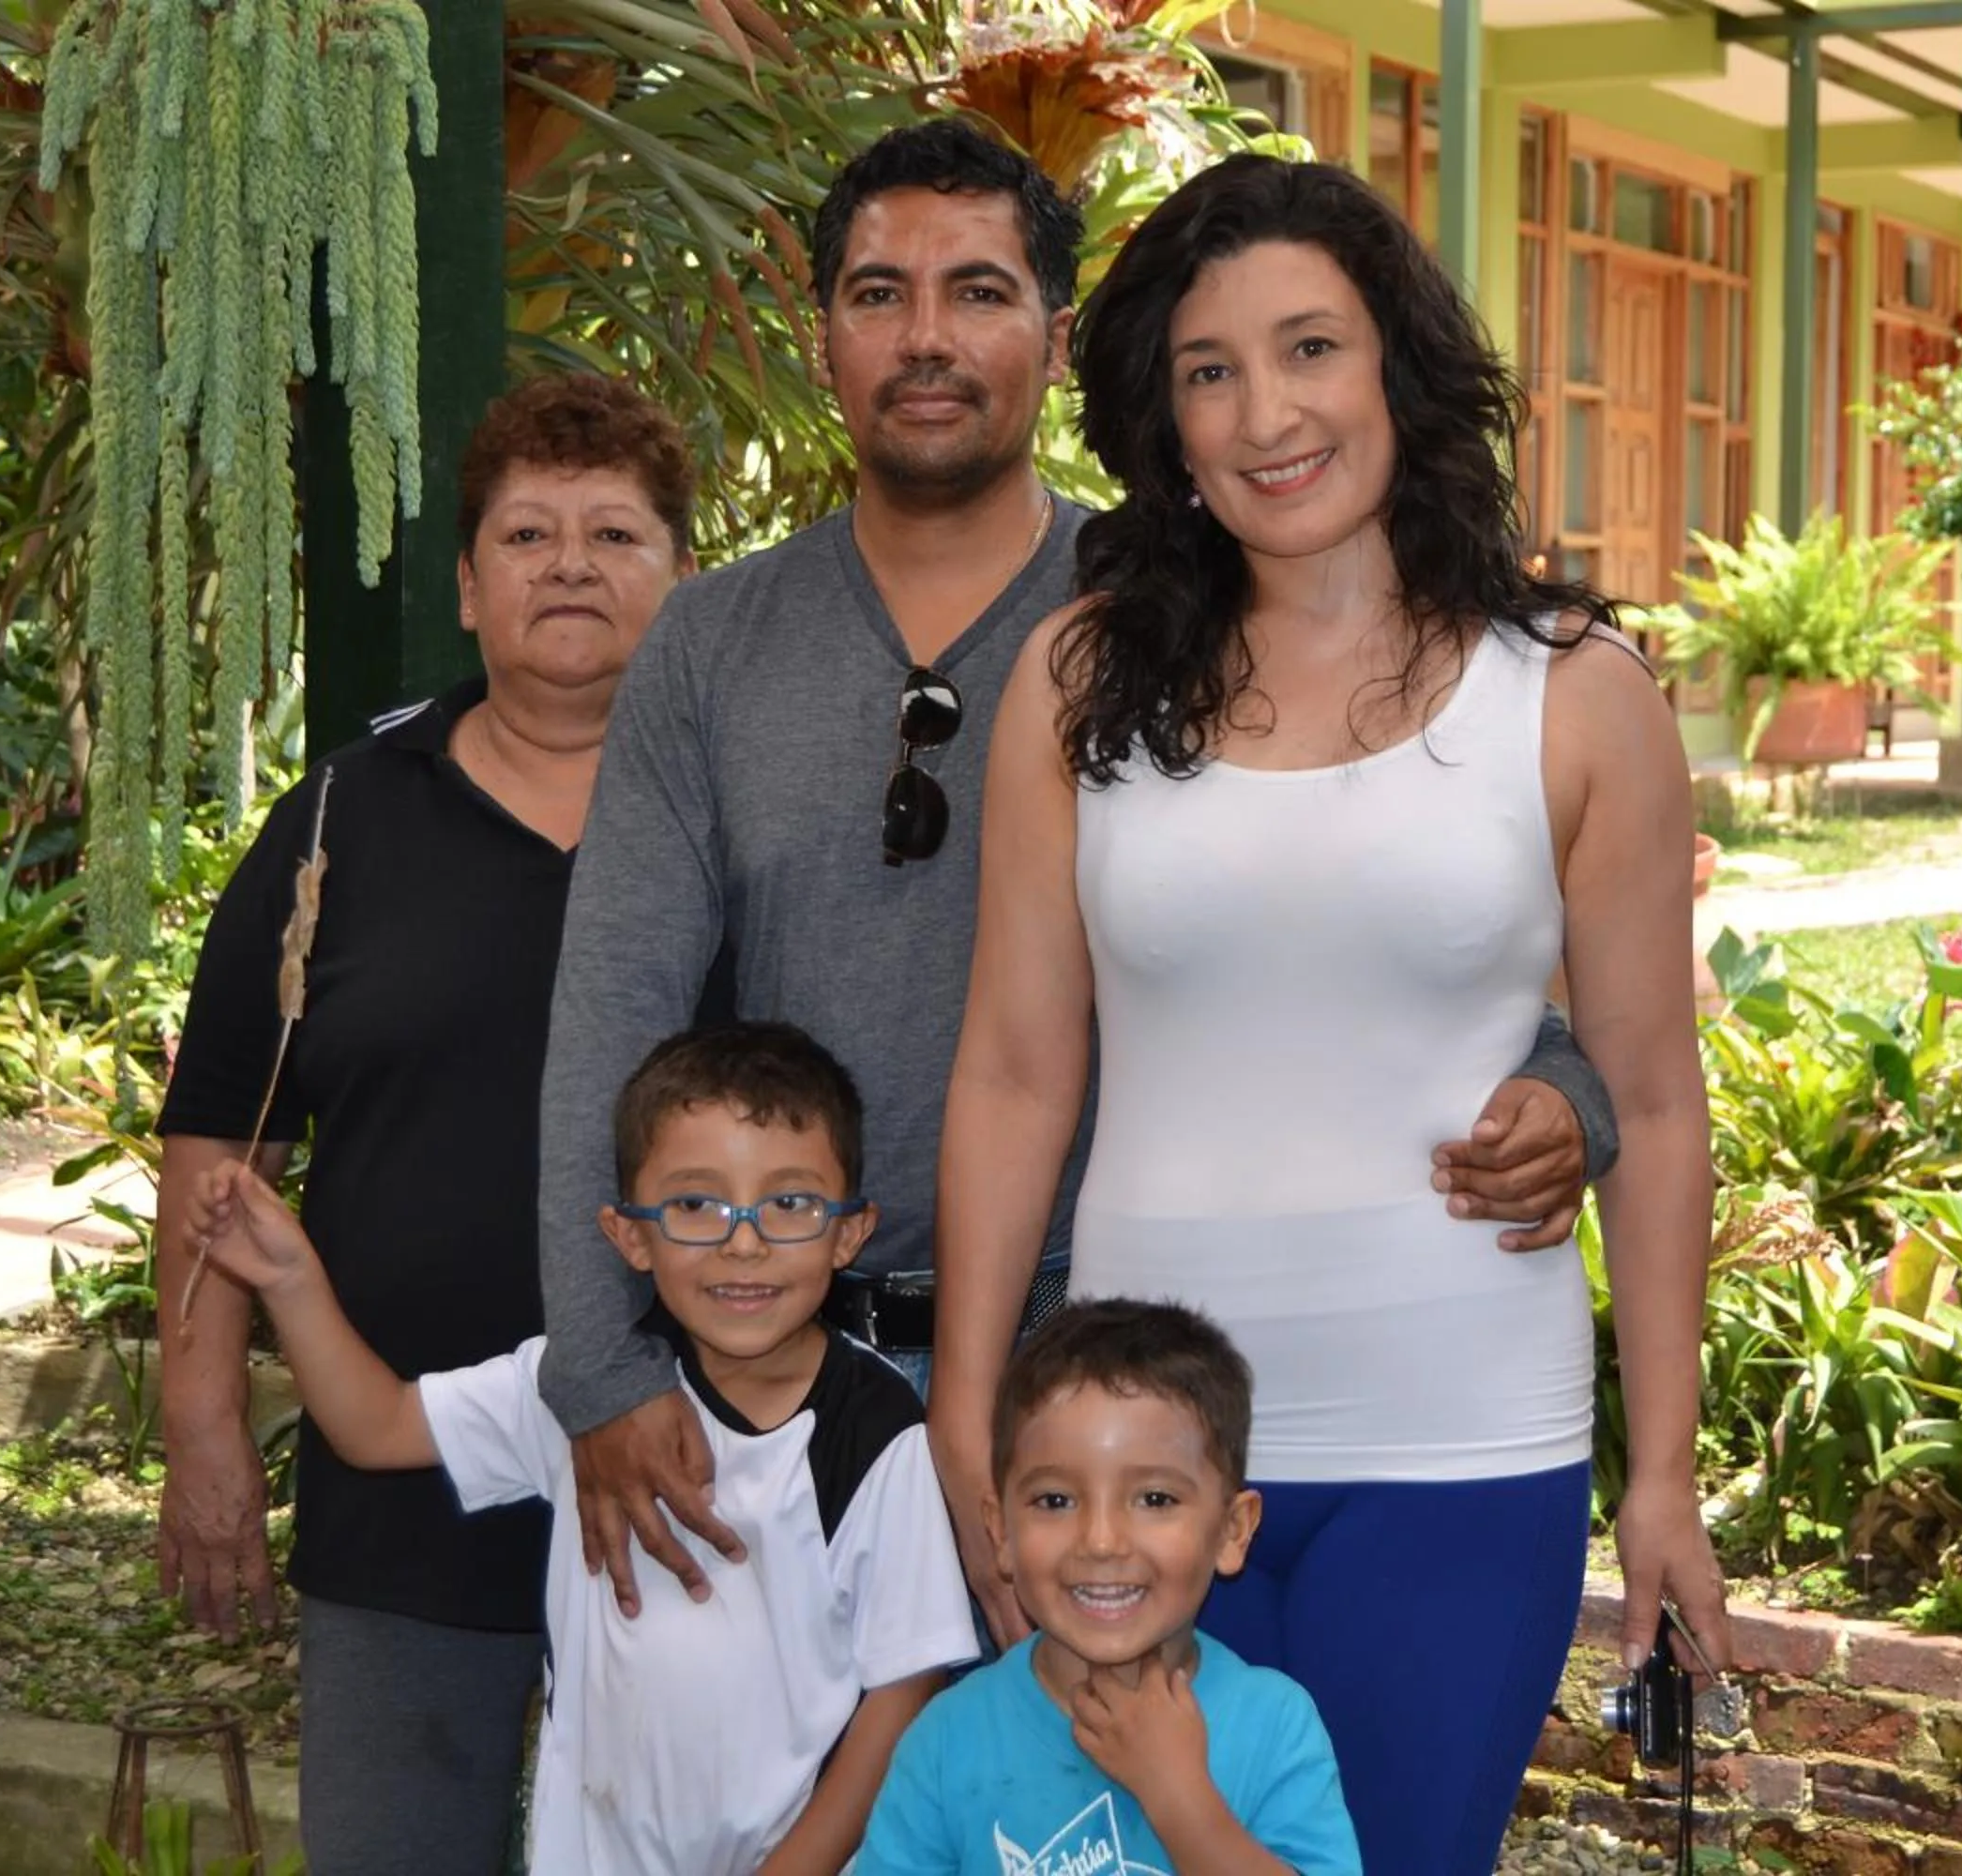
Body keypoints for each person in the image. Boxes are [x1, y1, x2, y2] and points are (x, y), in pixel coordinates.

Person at [536, 115, 1617, 1623]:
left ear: (1055, 343)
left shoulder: (1193, 598)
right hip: (763, 1352)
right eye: (877, 294)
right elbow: (614, 1013)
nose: (927, 338)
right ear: (820, 336)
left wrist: (1573, 1089)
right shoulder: (710, 651)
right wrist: (602, 1365)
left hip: (1101, 1370)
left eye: (978, 293)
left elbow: (1409, 901)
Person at [932, 155, 1735, 1876]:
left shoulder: (1577, 694)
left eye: (1311, 349)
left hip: (1457, 1443)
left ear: (1397, 370)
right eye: (1210, 370)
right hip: (1124, 1456)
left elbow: (1656, 1104)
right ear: (1163, 417)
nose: (1265, 413)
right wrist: (967, 1405)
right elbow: (1012, 1072)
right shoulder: (1076, 687)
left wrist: (1659, 1478)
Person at [154, 374, 698, 1872]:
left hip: (698, 1476)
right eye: (528, 534)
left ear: (685, 578)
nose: (570, 565)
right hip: (400, 1470)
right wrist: (201, 1423)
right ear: (467, 587)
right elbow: (221, 1140)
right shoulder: (342, 820)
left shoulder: (744, 815)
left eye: (614, 532)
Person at [186, 1021, 978, 1874]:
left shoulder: (877, 1429)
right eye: (695, 1204)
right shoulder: (582, 1393)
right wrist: (288, 1278)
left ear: (849, 1232)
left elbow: (903, 1688)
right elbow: (373, 1425)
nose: (742, 1240)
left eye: (789, 1203)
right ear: (628, 1233)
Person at [855, 1299, 1360, 1875]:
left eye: (1155, 1499)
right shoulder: (948, 1740)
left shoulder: (1275, 1724)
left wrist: (1181, 1798)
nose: (1100, 1541)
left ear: (1231, 1529)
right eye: (1055, 1501)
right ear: (1000, 1532)